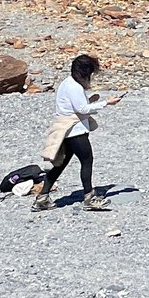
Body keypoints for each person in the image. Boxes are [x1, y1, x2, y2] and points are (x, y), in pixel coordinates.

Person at [32, 54, 121, 213]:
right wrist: (106, 103)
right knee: (87, 160)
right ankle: (89, 198)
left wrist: (91, 101)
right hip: (75, 131)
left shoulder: (67, 83)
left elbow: (75, 106)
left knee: (60, 164)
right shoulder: (74, 87)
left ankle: (42, 198)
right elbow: (82, 109)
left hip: (68, 130)